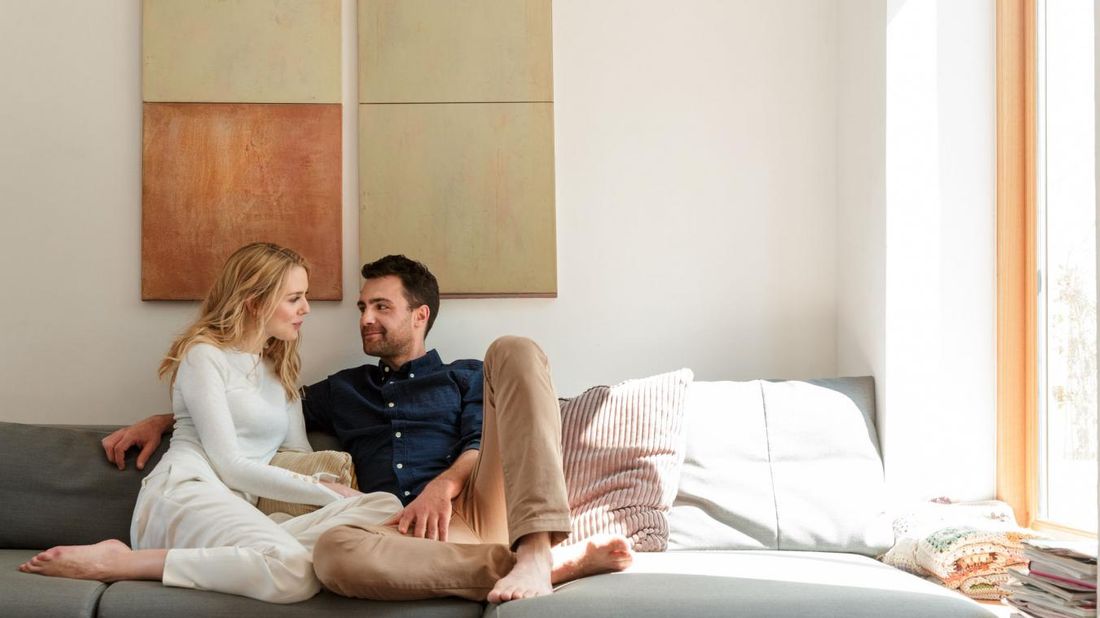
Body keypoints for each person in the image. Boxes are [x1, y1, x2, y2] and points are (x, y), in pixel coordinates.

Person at [102, 254, 632, 603]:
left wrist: (440, 488)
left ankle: (537, 550)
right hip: (396, 535)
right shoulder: (342, 389)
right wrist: (169, 417)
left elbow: (478, 443)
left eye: (381, 306)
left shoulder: (464, 376)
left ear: (420, 315)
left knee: (514, 349)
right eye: (362, 307)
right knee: (331, 554)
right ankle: (535, 569)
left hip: (472, 508)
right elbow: (244, 409)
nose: (364, 318)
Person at [19, 243, 402, 604]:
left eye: (304, 296)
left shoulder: (278, 369)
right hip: (189, 494)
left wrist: (333, 492)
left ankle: (255, 551)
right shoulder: (205, 356)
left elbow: (293, 456)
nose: (306, 308)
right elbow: (230, 465)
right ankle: (123, 560)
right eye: (294, 298)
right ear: (255, 302)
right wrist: (331, 494)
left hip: (242, 511)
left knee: (385, 507)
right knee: (294, 573)